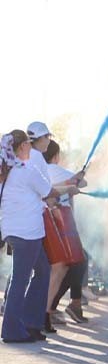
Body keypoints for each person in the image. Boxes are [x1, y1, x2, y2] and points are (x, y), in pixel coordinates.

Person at [1, 130, 70, 343]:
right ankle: (12, 330)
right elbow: (48, 191)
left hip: (17, 230)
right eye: (28, 144)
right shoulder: (25, 170)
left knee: (42, 271)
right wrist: (71, 188)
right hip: (27, 232)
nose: (31, 148)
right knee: (21, 279)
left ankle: (30, 323)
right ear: (22, 147)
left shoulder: (8, 170)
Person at [42, 140, 88, 331]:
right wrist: (75, 179)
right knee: (71, 263)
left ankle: (61, 307)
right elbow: (83, 183)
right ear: (56, 156)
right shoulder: (53, 168)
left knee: (70, 264)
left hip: (52, 219)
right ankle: (51, 309)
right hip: (60, 220)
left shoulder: (40, 169)